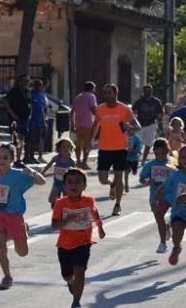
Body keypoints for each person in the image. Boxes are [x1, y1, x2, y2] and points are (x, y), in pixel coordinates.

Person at [0, 143, 47, 289]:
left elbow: (41, 181)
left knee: (22, 252)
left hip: (15, 217)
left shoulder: (18, 175)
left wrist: (30, 171)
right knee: (0, 246)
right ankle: (7, 276)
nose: (1, 160)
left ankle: (23, 228)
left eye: (5, 158)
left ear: (12, 159)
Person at [50, 168, 105, 308]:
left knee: (80, 270)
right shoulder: (60, 203)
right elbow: (54, 225)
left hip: (83, 243)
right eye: (70, 182)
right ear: (64, 187)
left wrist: (100, 227)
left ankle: (76, 303)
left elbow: (95, 212)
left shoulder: (89, 200)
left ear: (84, 185)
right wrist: (66, 220)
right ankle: (70, 282)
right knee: (67, 275)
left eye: (78, 182)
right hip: (64, 245)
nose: (74, 185)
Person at [90, 83, 141, 217]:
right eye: (105, 93)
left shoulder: (124, 109)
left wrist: (130, 128)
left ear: (115, 93)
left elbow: (137, 127)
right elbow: (95, 125)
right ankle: (111, 184)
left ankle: (117, 205)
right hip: (104, 148)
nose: (106, 95)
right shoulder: (100, 109)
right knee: (102, 178)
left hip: (120, 148)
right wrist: (90, 141)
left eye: (109, 93)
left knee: (119, 176)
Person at [155, 143, 186, 279]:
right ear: (179, 160)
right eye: (183, 157)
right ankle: (176, 247)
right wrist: (157, 201)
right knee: (177, 232)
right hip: (179, 212)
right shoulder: (176, 176)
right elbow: (162, 188)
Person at [138, 137, 174, 253]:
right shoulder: (150, 165)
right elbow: (142, 179)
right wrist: (147, 182)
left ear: (167, 151)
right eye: (157, 154)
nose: (160, 156)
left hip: (170, 195)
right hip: (155, 195)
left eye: (162, 153)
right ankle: (164, 236)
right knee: (159, 218)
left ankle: (163, 242)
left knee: (174, 216)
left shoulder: (173, 163)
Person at [3, 74, 32, 163]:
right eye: (24, 81)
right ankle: (15, 158)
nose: (26, 83)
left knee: (22, 138)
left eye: (27, 81)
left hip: (25, 118)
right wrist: (11, 113)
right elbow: (5, 101)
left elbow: (29, 103)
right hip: (16, 118)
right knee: (16, 138)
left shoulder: (27, 91)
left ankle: (18, 159)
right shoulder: (14, 91)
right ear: (20, 81)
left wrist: (30, 113)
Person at [132, 84, 164, 164]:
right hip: (140, 125)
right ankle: (135, 159)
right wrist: (133, 124)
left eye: (149, 90)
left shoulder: (156, 101)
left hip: (151, 124)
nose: (148, 92)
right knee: (138, 143)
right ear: (143, 91)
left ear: (152, 91)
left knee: (149, 143)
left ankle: (143, 160)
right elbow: (134, 113)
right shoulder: (139, 102)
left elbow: (160, 113)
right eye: (146, 90)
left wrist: (161, 124)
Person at [40, 138, 76, 207]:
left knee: (66, 199)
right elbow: (49, 165)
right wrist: (42, 172)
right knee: (52, 200)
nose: (66, 148)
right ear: (59, 148)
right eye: (63, 146)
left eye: (68, 146)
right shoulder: (56, 158)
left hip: (66, 184)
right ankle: (56, 205)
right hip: (57, 183)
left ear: (71, 148)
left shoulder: (71, 161)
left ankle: (64, 209)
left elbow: (76, 172)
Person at [70, 81, 98, 169]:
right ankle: (84, 162)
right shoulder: (91, 96)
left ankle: (78, 161)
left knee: (79, 144)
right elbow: (93, 109)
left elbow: (72, 112)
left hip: (78, 124)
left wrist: (72, 124)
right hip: (88, 124)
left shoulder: (77, 97)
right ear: (92, 89)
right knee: (87, 144)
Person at [27, 78, 48, 163]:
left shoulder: (42, 95)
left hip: (40, 121)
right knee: (30, 139)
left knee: (37, 140)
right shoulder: (30, 94)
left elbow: (43, 109)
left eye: (40, 85)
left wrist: (44, 121)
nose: (39, 87)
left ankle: (33, 157)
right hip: (31, 121)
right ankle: (29, 156)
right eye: (37, 85)